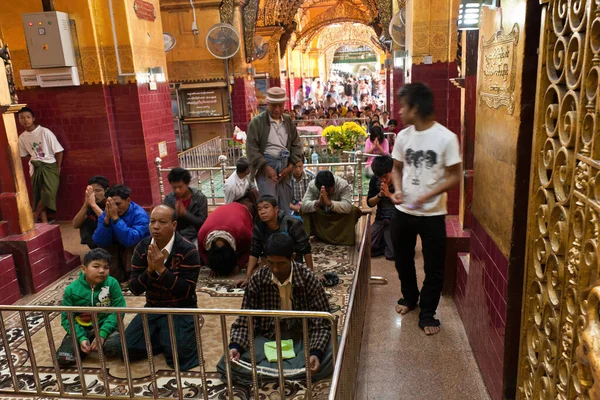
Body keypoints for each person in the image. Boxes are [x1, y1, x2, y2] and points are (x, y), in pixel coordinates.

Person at [390, 83, 462, 336]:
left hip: (433, 214)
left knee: (434, 266)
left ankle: (428, 312)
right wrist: (397, 188)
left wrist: (429, 195)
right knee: (402, 259)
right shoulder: (403, 136)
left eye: (403, 106)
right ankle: (410, 297)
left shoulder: (446, 138)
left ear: (415, 107)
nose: (399, 112)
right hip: (404, 212)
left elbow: (455, 176)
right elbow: (397, 167)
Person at [219, 233, 333, 383]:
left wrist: (315, 352)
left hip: (302, 335)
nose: (275, 269)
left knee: (332, 351)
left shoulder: (308, 278)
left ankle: (270, 372)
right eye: (271, 263)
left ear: (292, 257)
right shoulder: (258, 278)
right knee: (227, 361)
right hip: (269, 337)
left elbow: (322, 323)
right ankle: (295, 372)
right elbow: (246, 321)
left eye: (281, 264)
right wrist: (236, 347)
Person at [118, 205, 202, 371]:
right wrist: (150, 271)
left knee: (180, 359)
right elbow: (134, 289)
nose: (155, 227)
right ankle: (166, 337)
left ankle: (178, 332)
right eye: (152, 222)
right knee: (126, 350)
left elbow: (186, 292)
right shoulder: (142, 248)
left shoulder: (188, 250)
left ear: (174, 225)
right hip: (154, 306)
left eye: (162, 222)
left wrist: (162, 270)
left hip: (181, 307)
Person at [57, 248, 125, 366]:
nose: (102, 271)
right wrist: (80, 337)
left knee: (114, 349)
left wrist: (102, 334)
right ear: (84, 269)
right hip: (82, 328)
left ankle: (98, 343)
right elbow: (67, 318)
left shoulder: (112, 283)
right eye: (96, 266)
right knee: (64, 358)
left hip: (107, 326)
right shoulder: (71, 290)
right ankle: (85, 345)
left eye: (106, 267)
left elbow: (119, 310)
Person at [246, 87, 303, 214]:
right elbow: (251, 148)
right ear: (267, 104)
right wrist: (265, 167)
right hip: (266, 164)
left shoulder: (288, 121)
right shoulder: (257, 122)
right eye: (273, 106)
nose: (277, 109)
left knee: (284, 205)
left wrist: (291, 166)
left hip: (285, 165)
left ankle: (283, 232)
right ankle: (270, 233)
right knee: (269, 205)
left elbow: (296, 144)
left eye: (280, 105)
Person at [242, 195, 313, 287]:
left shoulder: (292, 223)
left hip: (290, 261)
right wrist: (247, 276)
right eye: (259, 209)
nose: (262, 212)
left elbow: (306, 249)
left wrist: (311, 273)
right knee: (258, 279)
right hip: (270, 262)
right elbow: (254, 250)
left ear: (276, 209)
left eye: (266, 207)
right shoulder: (259, 225)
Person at [92, 184, 150, 282]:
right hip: (117, 248)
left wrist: (116, 218)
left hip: (136, 249)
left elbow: (130, 240)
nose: (115, 208)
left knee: (132, 248)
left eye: (118, 204)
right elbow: (98, 241)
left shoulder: (140, 215)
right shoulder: (108, 212)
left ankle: (132, 276)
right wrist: (106, 221)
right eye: (112, 204)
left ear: (128, 200)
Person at [17, 107, 64, 223]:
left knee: (48, 193)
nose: (25, 120)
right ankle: (44, 223)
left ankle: (34, 215)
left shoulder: (44, 132)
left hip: (50, 166)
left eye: (28, 117)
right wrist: (36, 159)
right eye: (22, 118)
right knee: (38, 194)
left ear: (33, 118)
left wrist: (58, 166)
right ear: (18, 120)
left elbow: (59, 151)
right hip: (35, 168)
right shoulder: (22, 137)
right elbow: (24, 154)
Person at [301, 170, 361, 246]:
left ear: (334, 185)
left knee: (353, 211)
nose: (327, 193)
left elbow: (348, 207)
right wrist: (318, 202)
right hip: (321, 216)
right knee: (304, 210)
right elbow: (303, 205)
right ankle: (315, 235)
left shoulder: (343, 185)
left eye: (329, 190)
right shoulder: (313, 185)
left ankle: (343, 238)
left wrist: (329, 203)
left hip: (337, 217)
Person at [197, 202, 253, 277]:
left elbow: (251, 249)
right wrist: (213, 267)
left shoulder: (243, 232)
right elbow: (203, 254)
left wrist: (239, 265)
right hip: (223, 214)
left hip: (240, 209)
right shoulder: (202, 235)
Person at [163, 167, 207, 246]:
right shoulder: (169, 199)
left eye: (180, 187)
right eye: (174, 187)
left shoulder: (199, 198)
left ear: (187, 183)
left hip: (195, 235)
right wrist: (175, 214)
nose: (177, 190)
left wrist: (185, 214)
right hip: (175, 235)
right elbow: (166, 222)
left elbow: (202, 222)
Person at [367, 156, 396, 260]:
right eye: (380, 177)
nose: (383, 180)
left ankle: (388, 241)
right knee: (364, 248)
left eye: (385, 176)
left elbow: (408, 204)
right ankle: (385, 241)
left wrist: (389, 195)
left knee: (393, 255)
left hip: (397, 220)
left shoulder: (401, 179)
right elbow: (370, 203)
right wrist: (380, 195)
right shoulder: (375, 180)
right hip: (381, 220)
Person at [72, 176, 109, 249]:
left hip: (113, 235)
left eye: (98, 191)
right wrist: (85, 205)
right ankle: (96, 250)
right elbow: (75, 224)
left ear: (106, 191)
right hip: (100, 237)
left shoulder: (112, 201)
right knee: (85, 223)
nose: (94, 194)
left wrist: (93, 205)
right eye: (92, 191)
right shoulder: (93, 203)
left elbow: (109, 222)